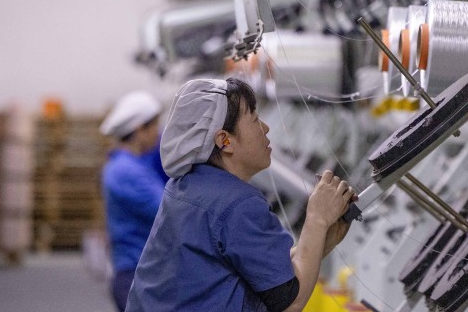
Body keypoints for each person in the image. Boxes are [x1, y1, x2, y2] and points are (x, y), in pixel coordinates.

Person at [126, 78, 356, 312]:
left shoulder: (185, 186)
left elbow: (260, 269)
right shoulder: (238, 203)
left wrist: (318, 241)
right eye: (255, 120)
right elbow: (289, 301)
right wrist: (316, 218)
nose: (265, 128)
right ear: (225, 141)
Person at [100, 91, 166, 312]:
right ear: (139, 130)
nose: (158, 134)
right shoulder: (126, 171)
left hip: (140, 273)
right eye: (155, 127)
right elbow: (168, 211)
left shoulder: (132, 165)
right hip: (135, 274)